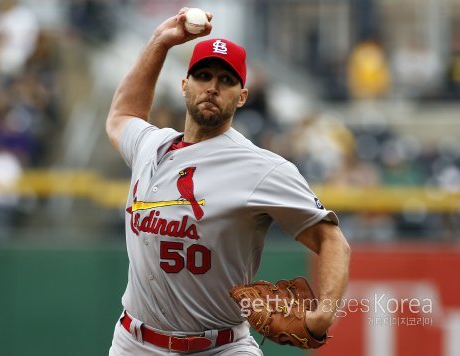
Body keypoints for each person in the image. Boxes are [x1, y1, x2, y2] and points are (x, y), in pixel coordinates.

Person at [106, 8, 350, 355]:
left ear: (242, 96)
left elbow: (333, 241)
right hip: (134, 343)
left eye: (226, 80)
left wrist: (324, 315)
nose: (212, 87)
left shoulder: (260, 168)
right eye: (203, 76)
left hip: (219, 346)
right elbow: (122, 115)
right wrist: (160, 43)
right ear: (184, 85)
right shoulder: (149, 144)